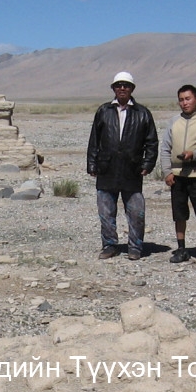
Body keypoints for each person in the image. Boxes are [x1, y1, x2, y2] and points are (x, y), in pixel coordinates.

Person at [86, 71, 158, 260]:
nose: (122, 88)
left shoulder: (142, 113)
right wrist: (92, 163)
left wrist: (148, 163)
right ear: (113, 88)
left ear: (132, 88)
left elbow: (151, 142)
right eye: (118, 85)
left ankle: (135, 247)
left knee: (136, 213)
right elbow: (94, 139)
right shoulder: (104, 111)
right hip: (107, 169)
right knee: (106, 212)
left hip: (132, 170)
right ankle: (109, 245)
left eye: (126, 85)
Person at [160, 84, 196, 266]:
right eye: (181, 100)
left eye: (188, 99)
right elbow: (165, 148)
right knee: (179, 214)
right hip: (178, 175)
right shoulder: (173, 122)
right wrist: (167, 172)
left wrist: (195, 154)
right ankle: (181, 249)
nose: (184, 103)